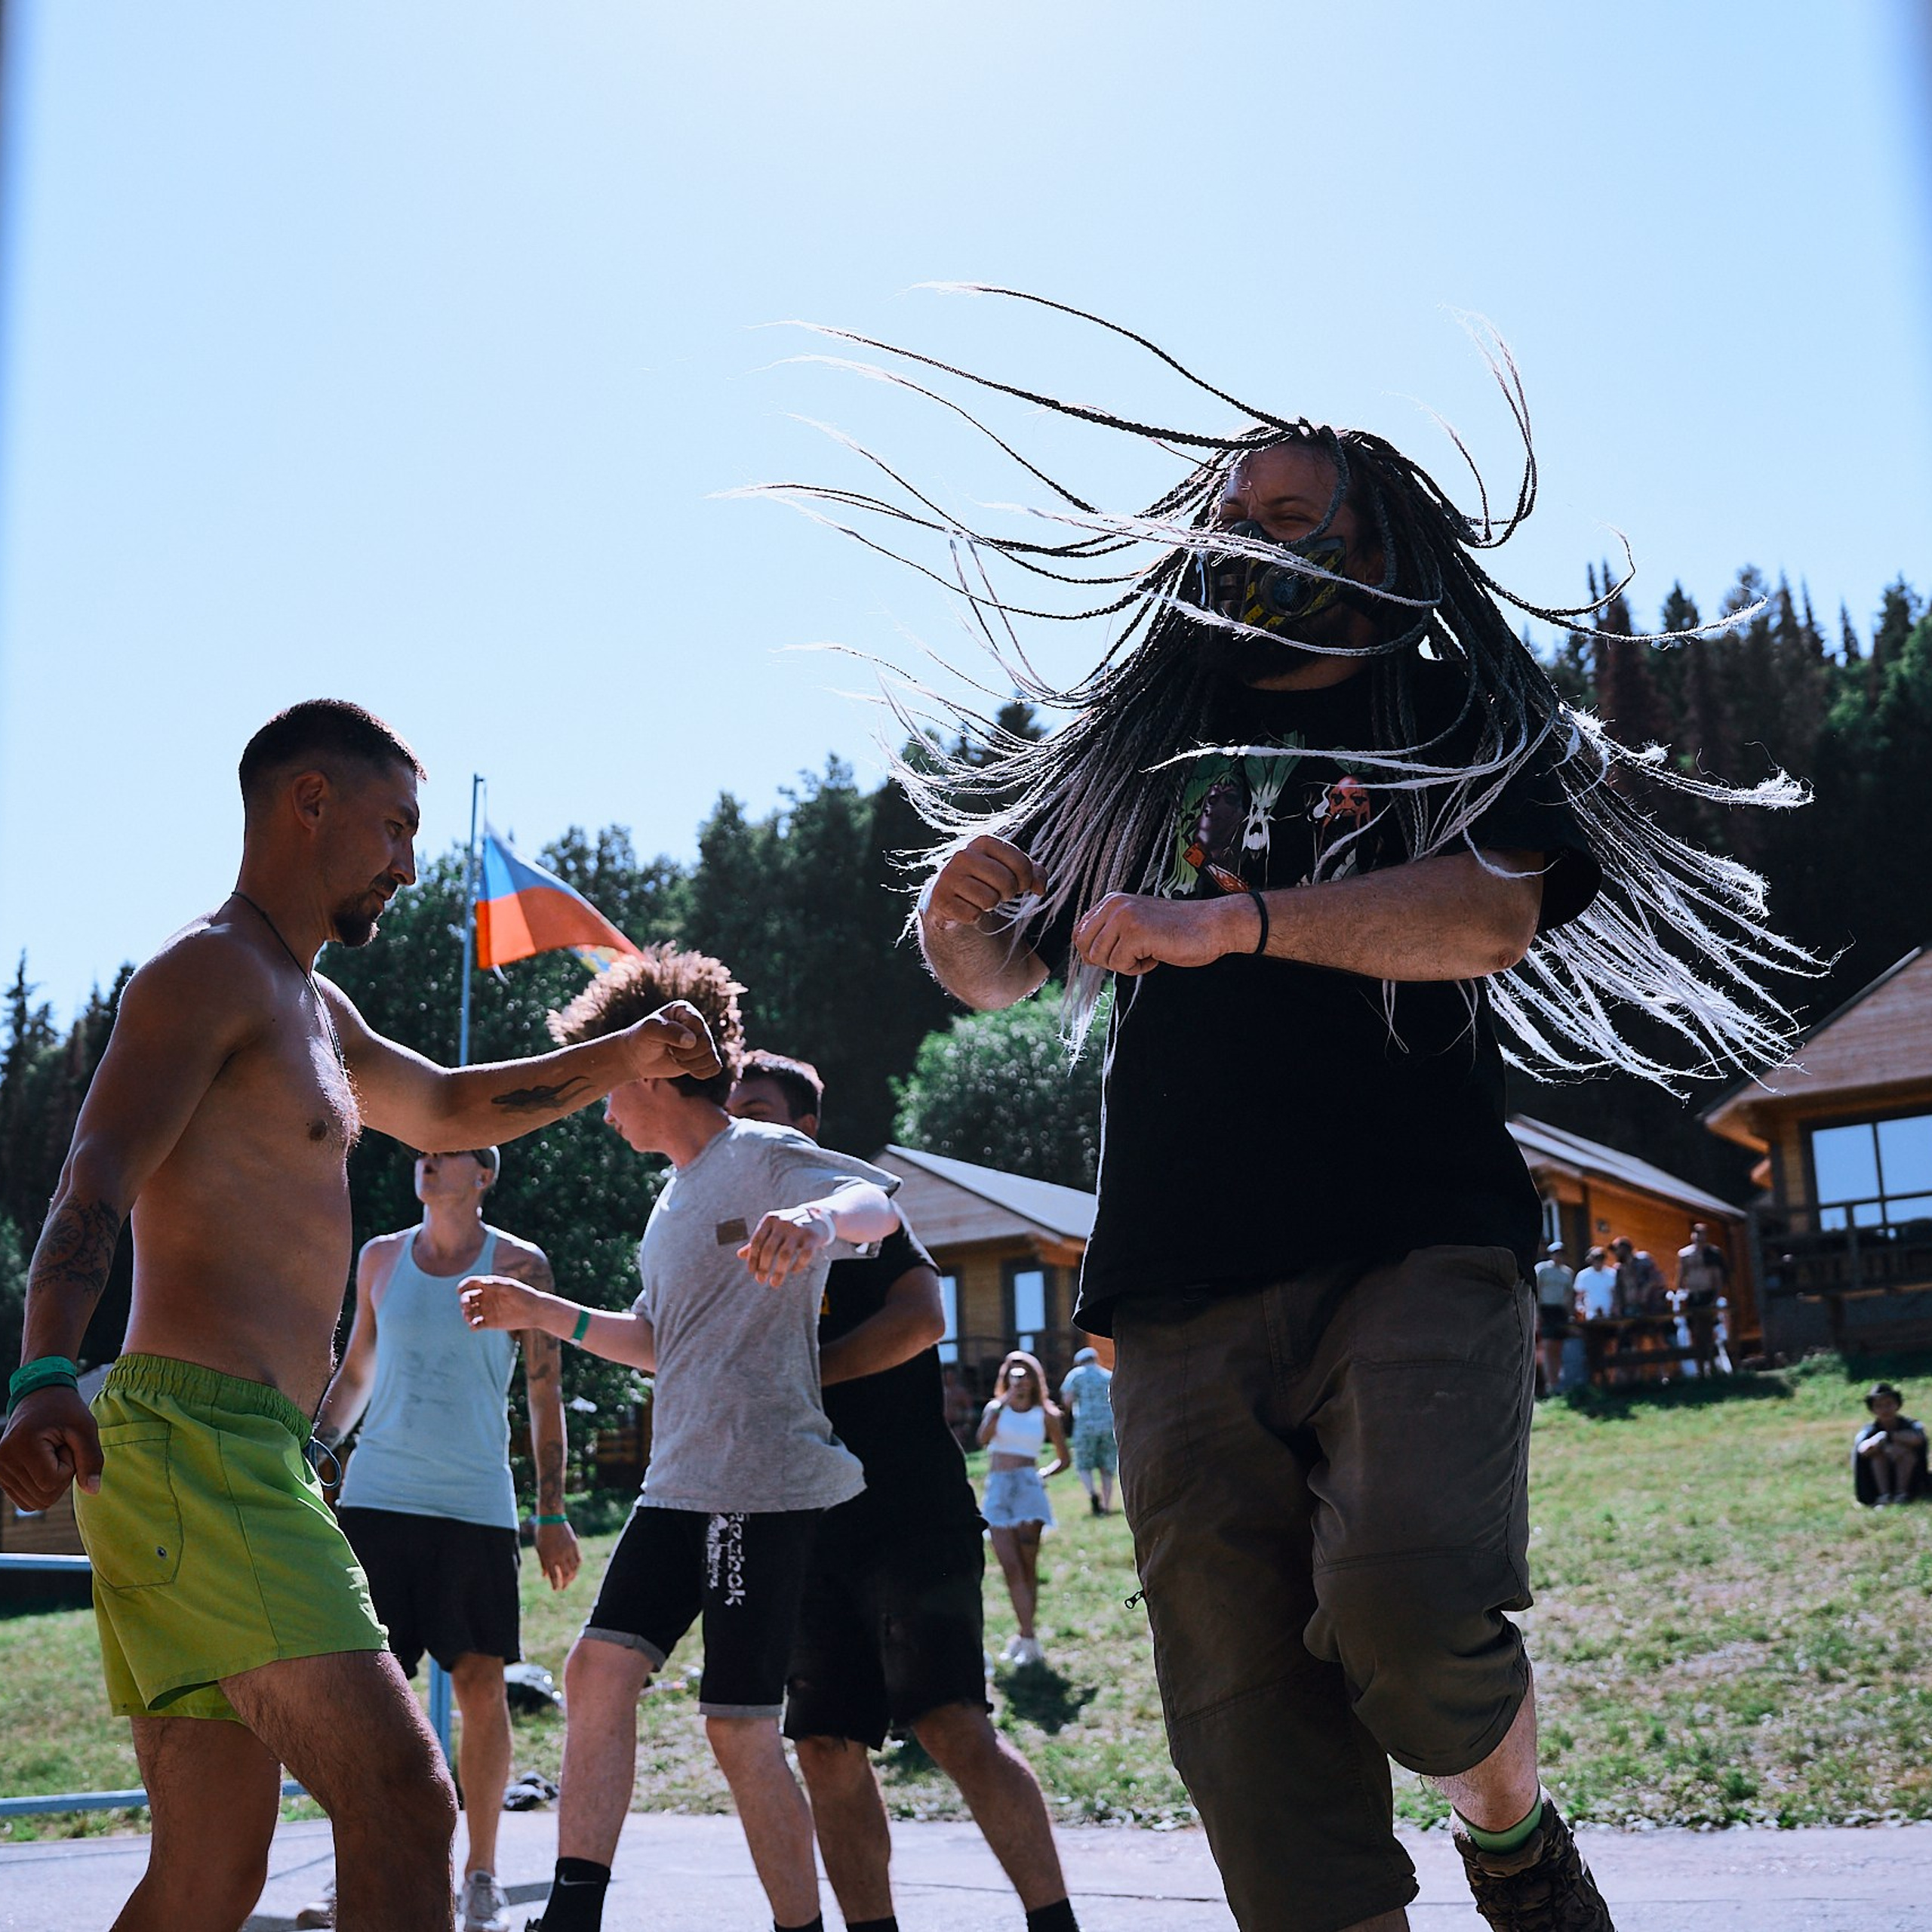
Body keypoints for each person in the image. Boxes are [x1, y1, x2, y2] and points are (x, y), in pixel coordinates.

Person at [0, 700, 718, 1932]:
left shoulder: (314, 1010)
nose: (409, 863)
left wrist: (624, 1055)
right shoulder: (208, 971)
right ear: (309, 802)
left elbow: (447, 1109)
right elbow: (96, 1171)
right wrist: (43, 1371)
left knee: (209, 1874)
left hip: (246, 1452)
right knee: (402, 1799)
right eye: (394, 828)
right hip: (194, 1446)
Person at [457, 949, 898, 1932]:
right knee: (595, 1671)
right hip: (680, 1483)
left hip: (757, 1483)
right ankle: (573, 1914)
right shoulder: (672, 1198)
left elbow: (876, 1203)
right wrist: (543, 1310)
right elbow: (659, 1342)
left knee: (737, 1729)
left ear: (653, 1069)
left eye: (606, 1084)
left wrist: (817, 1218)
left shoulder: (758, 1149)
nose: (602, 1109)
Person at [728, 1049, 1081, 1932]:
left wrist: (804, 1375)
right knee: (825, 1746)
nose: (739, 1129)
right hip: (802, 1524)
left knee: (951, 1725)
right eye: (730, 1114)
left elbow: (923, 1319)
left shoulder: (856, 1205)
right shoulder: (723, 1230)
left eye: (758, 1111)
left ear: (805, 1127)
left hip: (910, 1511)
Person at [297, 1145, 582, 1932]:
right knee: (368, 1697)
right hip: (379, 1498)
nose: (427, 1158)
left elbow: (544, 1395)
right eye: (423, 1148)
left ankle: (480, 1877)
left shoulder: (521, 1265)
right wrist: (310, 1458)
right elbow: (357, 1373)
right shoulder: (380, 1258)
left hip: (474, 1504)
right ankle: (358, 1872)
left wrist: (551, 1511)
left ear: (484, 1174)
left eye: (447, 1151)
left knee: (481, 1688)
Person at [975, 1351, 1069, 1668]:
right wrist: (1001, 1404)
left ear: (1034, 1379)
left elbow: (1064, 1459)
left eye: (1026, 1375)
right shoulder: (996, 1408)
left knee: (1028, 1567)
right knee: (1011, 1567)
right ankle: (1027, 1637)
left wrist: (1040, 1475)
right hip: (998, 1489)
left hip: (1028, 1488)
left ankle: (1027, 1637)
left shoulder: (1046, 1414)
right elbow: (982, 1439)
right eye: (1014, 1376)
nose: (1021, 1382)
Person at [1059, 1346, 1117, 1514]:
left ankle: (1092, 1494)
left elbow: (1068, 1400)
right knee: (1107, 1466)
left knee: (1084, 1464)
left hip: (1085, 1425)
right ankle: (1106, 1505)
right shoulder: (1107, 1375)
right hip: (1108, 1425)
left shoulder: (1075, 1375)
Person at [1853, 1383, 1928, 1506]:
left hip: (1911, 1479)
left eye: (1889, 1404)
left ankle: (1901, 1494)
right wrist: (1877, 1441)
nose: (1885, 1410)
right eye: (1879, 1406)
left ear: (1897, 1405)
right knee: (1878, 1456)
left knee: (1904, 1453)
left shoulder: (1911, 1425)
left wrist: (1892, 1437)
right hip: (1876, 1481)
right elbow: (1862, 1449)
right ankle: (1884, 1495)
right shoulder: (1869, 1430)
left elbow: (1918, 1439)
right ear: (1873, 1409)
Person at [1674, 1225, 1730, 1377]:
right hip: (1693, 1295)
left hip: (1708, 1294)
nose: (1699, 1237)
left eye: (1703, 1234)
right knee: (1695, 1332)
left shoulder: (1713, 1254)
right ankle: (1700, 1368)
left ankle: (1712, 1365)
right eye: (1697, 1234)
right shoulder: (1685, 1255)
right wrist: (1680, 1294)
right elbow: (1681, 1276)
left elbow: (1718, 1278)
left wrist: (1715, 1297)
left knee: (1709, 1330)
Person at [1532, 1244, 1577, 1398]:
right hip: (1546, 1310)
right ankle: (1549, 1384)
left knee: (1558, 1347)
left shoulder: (1567, 1272)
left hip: (1560, 1312)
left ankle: (1557, 1383)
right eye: (1556, 1253)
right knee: (1547, 1346)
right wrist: (1537, 1313)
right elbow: (1536, 1291)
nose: (1559, 1256)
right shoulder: (1542, 1269)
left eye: (1561, 1254)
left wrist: (1570, 1314)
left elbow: (1569, 1295)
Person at [1574, 1246, 1619, 1322]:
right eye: (1596, 1259)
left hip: (1608, 1315)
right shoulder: (1583, 1275)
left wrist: (1615, 1308)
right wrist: (1580, 1308)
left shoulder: (1612, 1274)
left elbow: (1615, 1294)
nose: (1599, 1262)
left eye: (1601, 1259)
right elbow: (1579, 1295)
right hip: (1590, 1315)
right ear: (1591, 1260)